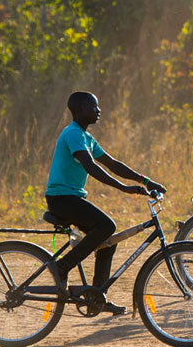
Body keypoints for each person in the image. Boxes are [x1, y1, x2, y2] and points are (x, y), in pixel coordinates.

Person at [44, 91, 166, 315]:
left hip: (71, 198)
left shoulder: (86, 137)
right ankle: (62, 267)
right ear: (80, 109)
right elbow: (90, 166)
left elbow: (113, 164)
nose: (98, 110)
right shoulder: (73, 134)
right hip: (62, 199)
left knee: (108, 240)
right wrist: (124, 188)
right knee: (107, 226)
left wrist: (147, 181)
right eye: (94, 106)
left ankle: (96, 296)